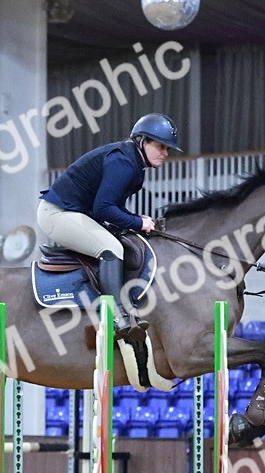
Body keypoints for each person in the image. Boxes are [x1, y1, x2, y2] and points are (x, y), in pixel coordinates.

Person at [37, 113, 181, 341]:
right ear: (142, 141)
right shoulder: (124, 162)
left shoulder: (132, 162)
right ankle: (117, 317)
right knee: (111, 248)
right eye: (161, 146)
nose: (165, 153)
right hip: (57, 214)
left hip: (76, 213)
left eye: (168, 149)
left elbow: (110, 207)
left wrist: (135, 219)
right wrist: (137, 222)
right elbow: (104, 209)